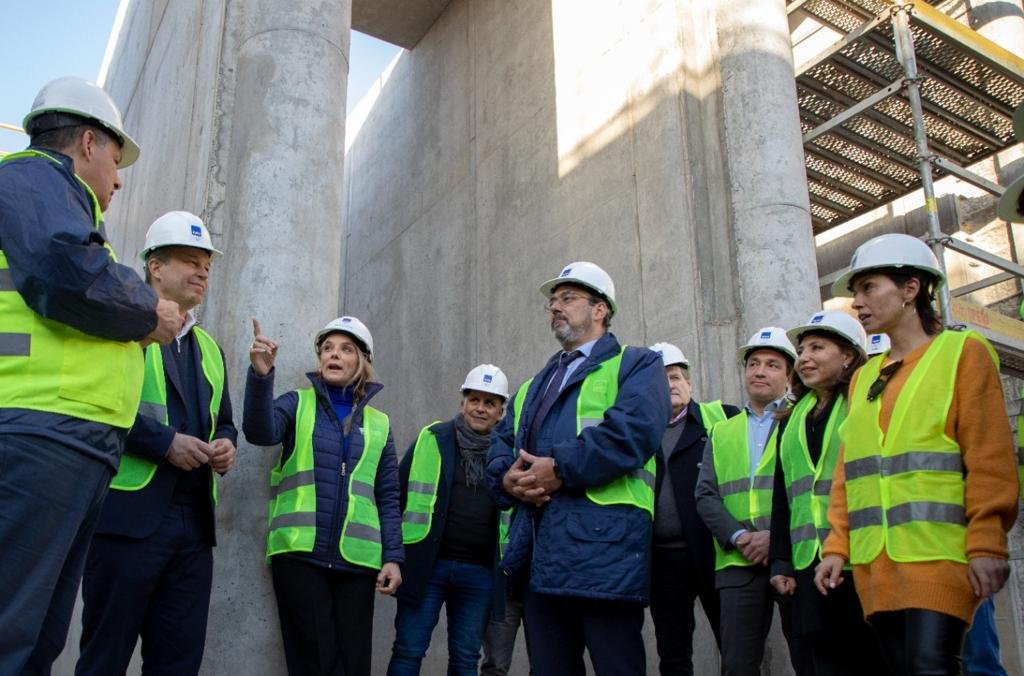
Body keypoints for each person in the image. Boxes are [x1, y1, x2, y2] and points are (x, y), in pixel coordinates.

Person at [0, 76, 181, 673]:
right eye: (115, 159)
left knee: (38, 635)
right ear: (86, 143)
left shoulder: (49, 196)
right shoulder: (29, 177)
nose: (119, 178)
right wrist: (146, 309)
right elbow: (65, 267)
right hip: (38, 431)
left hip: (65, 437)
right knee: (13, 630)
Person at [815, 233, 1019, 675]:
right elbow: (848, 474)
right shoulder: (865, 376)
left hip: (940, 558)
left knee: (932, 666)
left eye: (869, 287)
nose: (859, 302)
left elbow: (989, 457)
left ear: (911, 290)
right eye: (856, 292)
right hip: (875, 568)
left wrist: (987, 540)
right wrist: (837, 546)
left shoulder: (962, 353)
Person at [486, 261, 670, 675]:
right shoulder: (535, 383)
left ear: (600, 309)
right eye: (553, 301)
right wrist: (506, 478)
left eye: (567, 298)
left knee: (617, 667)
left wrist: (561, 468)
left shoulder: (636, 364)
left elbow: (632, 434)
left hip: (605, 555)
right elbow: (499, 444)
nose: (555, 307)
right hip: (540, 555)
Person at [76, 212, 237, 675]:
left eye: (207, 264)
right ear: (155, 267)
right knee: (104, 657)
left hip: (193, 529)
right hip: (127, 520)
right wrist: (164, 442)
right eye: (190, 261)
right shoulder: (122, 328)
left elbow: (224, 423)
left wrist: (225, 446)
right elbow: (98, 404)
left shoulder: (209, 348)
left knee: (177, 663)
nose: (202, 272)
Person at [244, 315, 403, 676]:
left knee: (354, 665)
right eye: (327, 348)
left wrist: (392, 557)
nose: (334, 355)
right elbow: (260, 431)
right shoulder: (295, 404)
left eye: (346, 349)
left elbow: (389, 494)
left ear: (362, 360)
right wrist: (260, 377)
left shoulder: (380, 424)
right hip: (300, 555)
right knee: (314, 662)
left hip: (358, 562)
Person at [768, 310, 884, 675]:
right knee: (821, 663)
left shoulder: (864, 404)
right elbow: (782, 497)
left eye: (818, 348)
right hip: (808, 564)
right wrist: (781, 562)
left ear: (848, 356)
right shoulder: (792, 417)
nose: (804, 358)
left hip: (860, 558)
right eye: (801, 351)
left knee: (869, 661)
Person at [387, 364, 510, 675]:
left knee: (466, 659)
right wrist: (392, 555)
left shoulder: (509, 452)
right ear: (462, 403)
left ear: (500, 412)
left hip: (480, 574)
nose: (480, 408)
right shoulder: (433, 438)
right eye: (475, 400)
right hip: (427, 567)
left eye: (490, 403)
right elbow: (395, 495)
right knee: (408, 650)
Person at [695, 327, 795, 676]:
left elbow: (812, 489)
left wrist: (776, 538)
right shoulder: (722, 430)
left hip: (793, 555)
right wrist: (740, 537)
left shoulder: (801, 419)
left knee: (812, 658)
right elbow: (705, 495)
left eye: (772, 364)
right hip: (737, 562)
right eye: (753, 364)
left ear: (789, 375)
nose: (760, 371)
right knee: (737, 665)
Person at [647, 341, 738, 675]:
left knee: (734, 649)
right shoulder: (640, 432)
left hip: (717, 554)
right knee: (673, 654)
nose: (670, 384)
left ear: (689, 383)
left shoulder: (724, 417)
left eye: (675, 376)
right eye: (660, 379)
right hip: (662, 560)